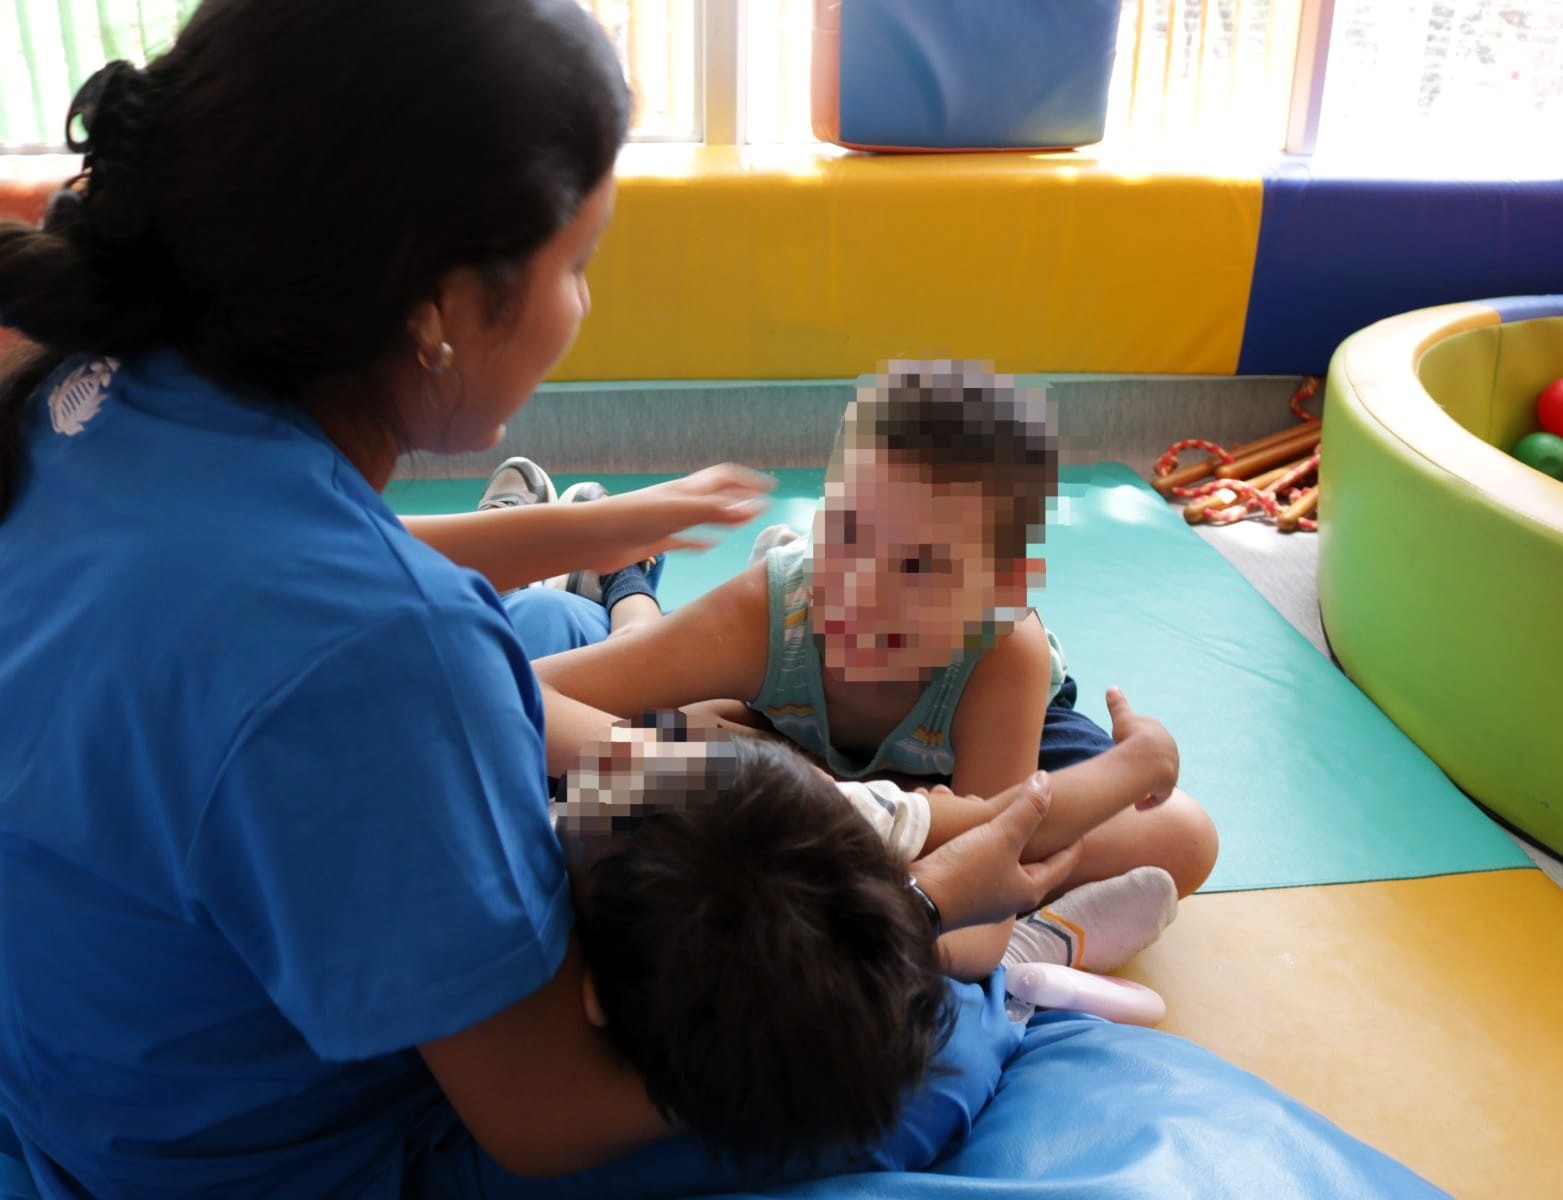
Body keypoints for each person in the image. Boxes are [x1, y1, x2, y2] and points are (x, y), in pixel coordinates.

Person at [0, 3, 1087, 1196]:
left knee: (559, 633)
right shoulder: (392, 649)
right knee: (918, 1053)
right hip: (266, 1158)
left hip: (90, 1057)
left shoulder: (90, 379)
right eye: (576, 263)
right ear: (443, 308)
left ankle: (612, 615)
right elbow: (544, 1114)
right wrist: (920, 912)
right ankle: (990, 976)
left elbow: (277, 562)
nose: (580, 304)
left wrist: (595, 531)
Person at [533, 361, 1220, 972]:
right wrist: (777, 785)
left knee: (1181, 836)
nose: (863, 589)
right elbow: (523, 697)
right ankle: (628, 590)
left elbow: (990, 864)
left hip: (969, 756)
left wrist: (1134, 768)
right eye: (849, 531)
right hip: (805, 740)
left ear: (1003, 591)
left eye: (919, 564)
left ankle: (1040, 932)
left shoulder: (1004, 649)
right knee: (672, 736)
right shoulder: (777, 610)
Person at [551, 692, 1182, 1165]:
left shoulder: (592, 885)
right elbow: (1008, 823)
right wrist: (1141, 763)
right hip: (887, 960)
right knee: (946, 1047)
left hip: (835, 939)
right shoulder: (823, 815)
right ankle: (1021, 956)